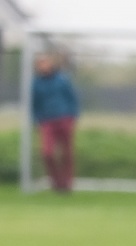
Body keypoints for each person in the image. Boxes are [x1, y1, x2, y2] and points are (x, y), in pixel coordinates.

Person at [31, 53, 80, 194]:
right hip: (47, 120)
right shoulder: (36, 83)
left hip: (64, 118)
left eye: (45, 63)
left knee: (67, 153)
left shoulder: (62, 80)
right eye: (40, 64)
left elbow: (72, 98)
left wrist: (72, 116)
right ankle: (56, 182)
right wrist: (37, 119)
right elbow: (34, 103)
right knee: (47, 152)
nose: (43, 66)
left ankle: (67, 183)